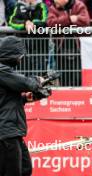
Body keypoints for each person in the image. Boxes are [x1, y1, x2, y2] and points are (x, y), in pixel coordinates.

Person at [0, 36, 50, 176]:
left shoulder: (4, 72)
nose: (21, 59)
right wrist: (39, 80)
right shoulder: (2, 71)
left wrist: (25, 99)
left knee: (25, 169)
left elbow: (6, 99)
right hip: (5, 133)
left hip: (10, 132)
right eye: (20, 55)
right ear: (11, 54)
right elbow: (28, 83)